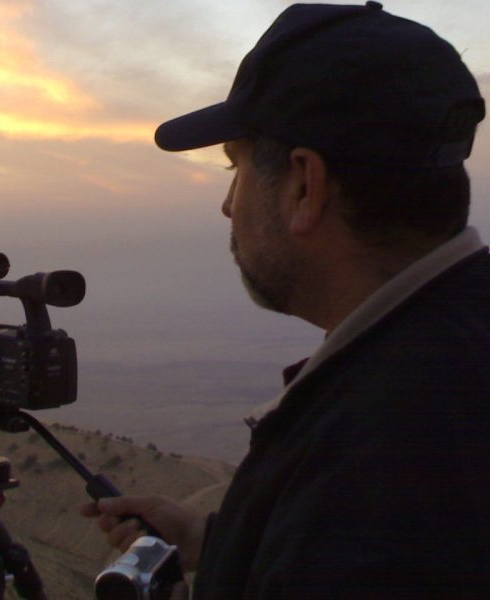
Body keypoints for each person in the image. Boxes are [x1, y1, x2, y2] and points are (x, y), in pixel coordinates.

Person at [81, 2, 489, 598]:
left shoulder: (382, 459)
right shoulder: (451, 352)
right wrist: (218, 542)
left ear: (304, 185)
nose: (227, 204)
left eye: (236, 168)